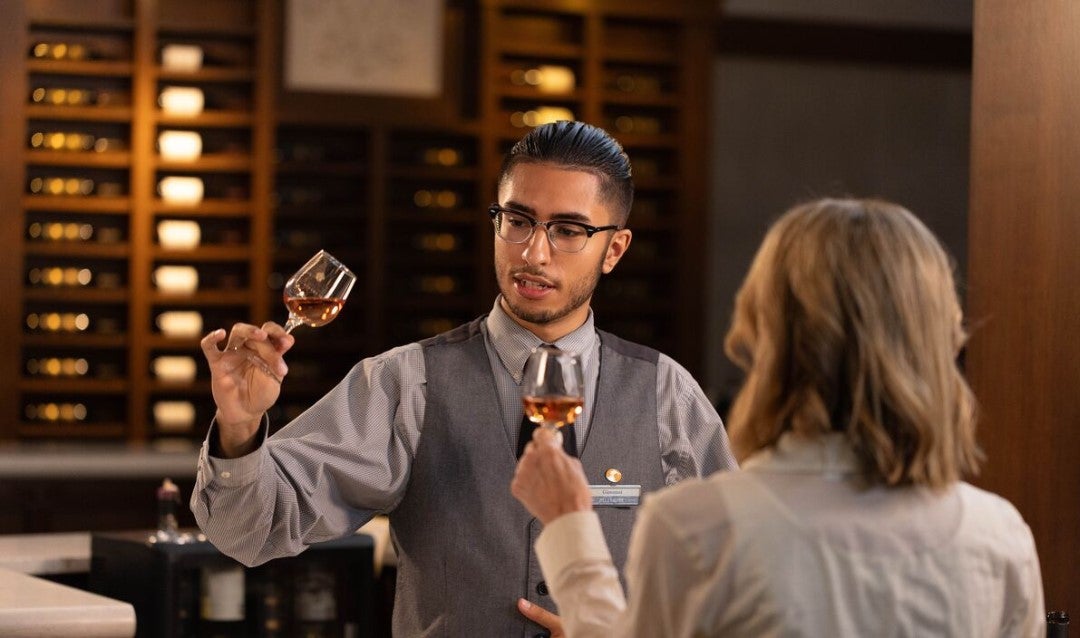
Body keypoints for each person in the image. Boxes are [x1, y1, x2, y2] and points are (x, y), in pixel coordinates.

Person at [191, 120, 737, 636]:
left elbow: (736, 586)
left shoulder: (667, 394)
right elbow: (248, 532)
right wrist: (239, 427)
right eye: (518, 220)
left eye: (568, 230)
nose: (533, 252)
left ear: (613, 249)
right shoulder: (405, 384)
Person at [512, 198, 1046, 637]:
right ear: (936, 336)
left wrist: (570, 529)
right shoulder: (999, 537)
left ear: (764, 330)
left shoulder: (697, 528)